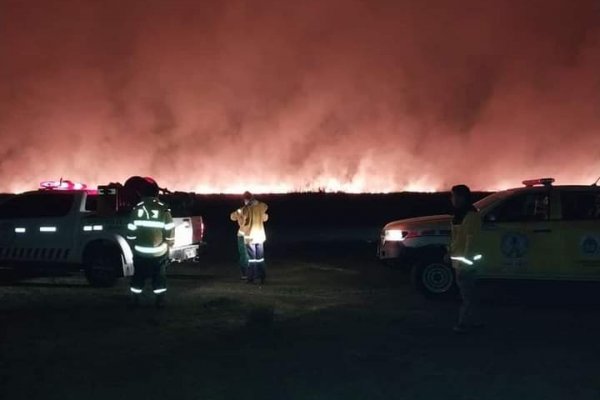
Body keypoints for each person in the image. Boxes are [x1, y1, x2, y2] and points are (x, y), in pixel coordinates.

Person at [126, 183, 175, 308]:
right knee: (159, 277)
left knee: (138, 276)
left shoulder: (137, 209)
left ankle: (135, 300)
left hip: (140, 252)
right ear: (157, 193)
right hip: (158, 252)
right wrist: (168, 244)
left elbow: (131, 231)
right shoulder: (163, 209)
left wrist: (133, 244)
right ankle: (159, 301)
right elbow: (169, 231)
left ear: (142, 194)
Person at [449, 184, 483, 333]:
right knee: (469, 295)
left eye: (455, 196)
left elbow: (471, 241)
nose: (453, 200)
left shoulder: (471, 216)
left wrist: (465, 264)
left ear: (463, 198)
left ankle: (463, 324)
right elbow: (456, 239)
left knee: (467, 296)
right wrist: (449, 253)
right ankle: (474, 322)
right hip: (460, 263)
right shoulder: (459, 216)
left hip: (465, 265)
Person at [238, 191, 269, 284]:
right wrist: (257, 203)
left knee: (252, 259)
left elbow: (243, 218)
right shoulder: (260, 207)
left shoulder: (247, 209)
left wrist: (243, 209)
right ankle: (262, 277)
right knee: (260, 258)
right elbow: (265, 208)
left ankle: (251, 278)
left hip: (250, 237)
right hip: (260, 237)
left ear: (246, 199)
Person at [230, 203, 250, 280]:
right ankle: (247, 273)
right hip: (246, 235)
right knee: (246, 255)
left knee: (245, 255)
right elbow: (232, 217)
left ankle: (246, 273)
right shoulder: (244, 210)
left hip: (244, 235)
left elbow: (232, 217)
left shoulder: (242, 210)